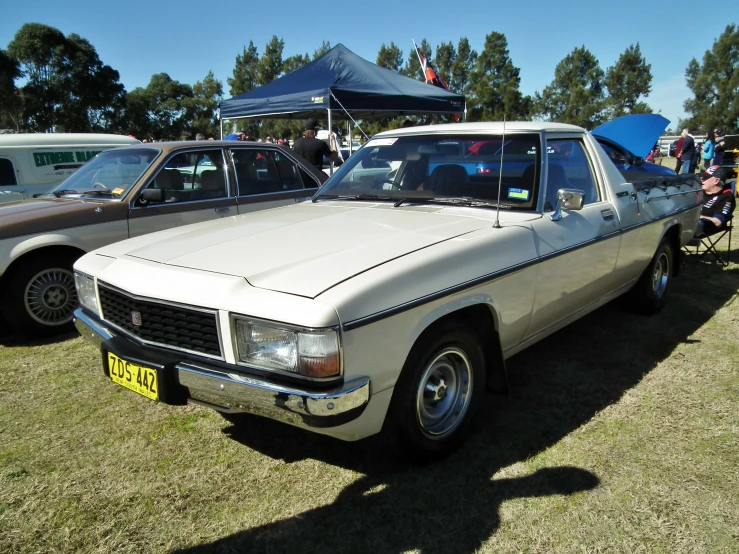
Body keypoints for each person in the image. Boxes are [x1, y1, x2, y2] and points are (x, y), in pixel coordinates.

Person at [694, 165, 735, 238]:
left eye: (705, 178)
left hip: (703, 226)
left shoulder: (726, 196)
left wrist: (698, 217)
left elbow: (718, 221)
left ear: (716, 181)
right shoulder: (699, 192)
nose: (702, 180)